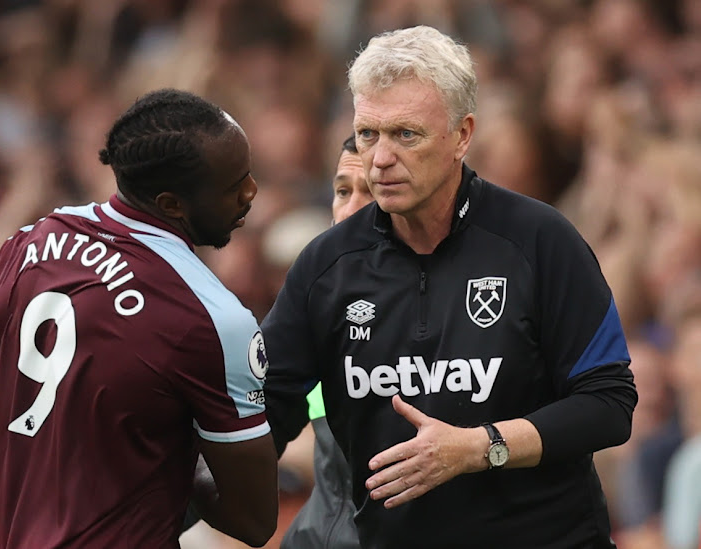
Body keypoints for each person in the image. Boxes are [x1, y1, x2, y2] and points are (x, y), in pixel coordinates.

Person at [262, 25, 637, 549]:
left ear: (462, 135)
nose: (380, 158)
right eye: (368, 134)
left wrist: (480, 447)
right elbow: (264, 414)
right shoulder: (326, 267)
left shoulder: (540, 241)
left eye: (405, 134)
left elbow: (609, 404)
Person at [0, 88, 278, 548]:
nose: (251, 192)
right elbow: (254, 520)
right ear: (170, 205)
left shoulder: (23, 246)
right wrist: (181, 462)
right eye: (233, 186)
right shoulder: (211, 318)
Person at [279, 134, 372, 549]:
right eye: (342, 191)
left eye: (369, 192)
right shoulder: (316, 302)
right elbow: (269, 407)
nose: (350, 209)